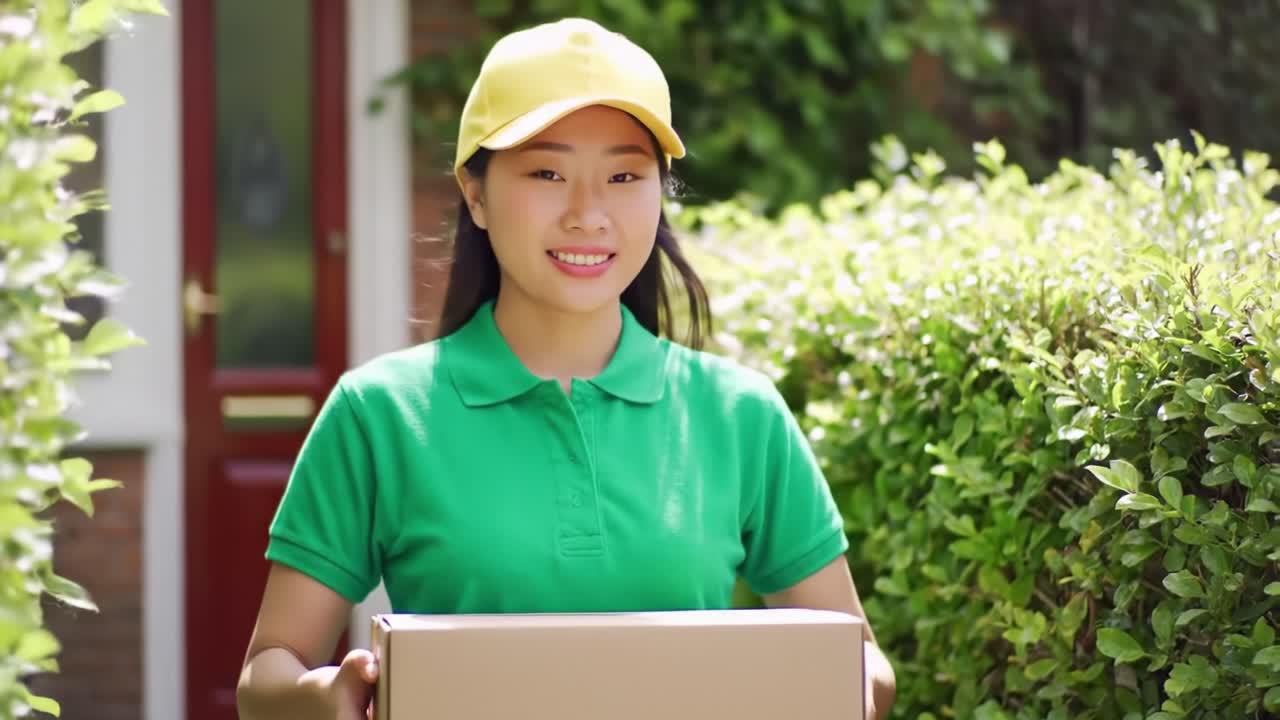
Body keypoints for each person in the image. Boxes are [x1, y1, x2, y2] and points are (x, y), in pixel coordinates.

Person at [235, 17, 895, 720]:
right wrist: (328, 695)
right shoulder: (380, 414)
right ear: (476, 194)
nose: (589, 214)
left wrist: (820, 688)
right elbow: (267, 672)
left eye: (624, 175)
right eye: (547, 173)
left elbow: (865, 668)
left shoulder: (741, 415)